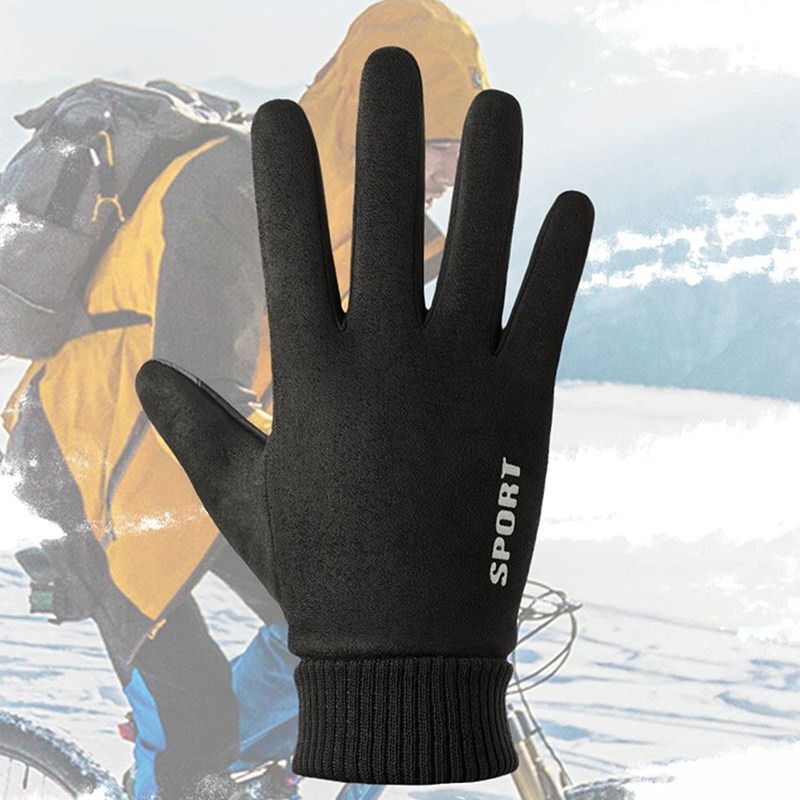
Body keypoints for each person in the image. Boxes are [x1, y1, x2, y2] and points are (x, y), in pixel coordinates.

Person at [3, 1, 488, 797]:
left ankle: (237, 766)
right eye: (443, 147)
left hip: (191, 472)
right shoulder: (234, 187)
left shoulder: (357, 231)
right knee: (194, 723)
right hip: (91, 465)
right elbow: (203, 393)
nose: (451, 175)